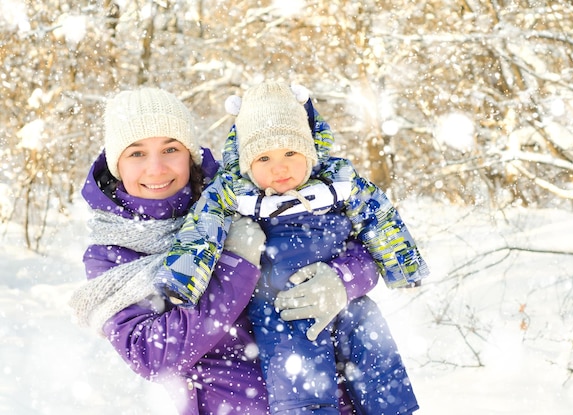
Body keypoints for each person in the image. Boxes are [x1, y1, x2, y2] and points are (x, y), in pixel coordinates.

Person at [69, 87, 382, 415]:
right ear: (116, 163)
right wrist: (235, 265)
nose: (156, 168)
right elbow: (152, 354)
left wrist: (340, 280)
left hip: (328, 400)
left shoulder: (242, 196)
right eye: (136, 153)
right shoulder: (113, 251)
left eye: (171, 149)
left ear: (189, 155)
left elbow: (360, 246)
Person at [158, 81, 429, 414]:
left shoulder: (337, 180)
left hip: (347, 301)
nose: (280, 167)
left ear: (310, 151)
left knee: (375, 354)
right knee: (302, 381)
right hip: (281, 308)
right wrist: (181, 282)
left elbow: (378, 215)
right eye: (264, 158)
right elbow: (203, 229)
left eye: (290, 152)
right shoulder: (232, 192)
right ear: (246, 163)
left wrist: (403, 266)